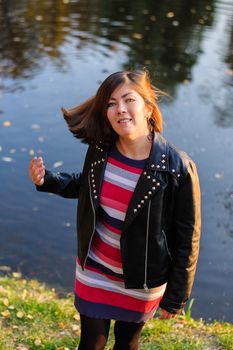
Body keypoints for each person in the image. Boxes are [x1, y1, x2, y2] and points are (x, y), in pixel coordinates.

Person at [29, 70, 201, 350]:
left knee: (126, 344)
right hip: (94, 268)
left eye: (128, 100)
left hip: (141, 280)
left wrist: (176, 296)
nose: (119, 109)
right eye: (110, 103)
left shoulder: (177, 167)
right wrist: (47, 180)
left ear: (148, 107)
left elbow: (188, 239)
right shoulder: (101, 149)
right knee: (90, 344)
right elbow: (85, 186)